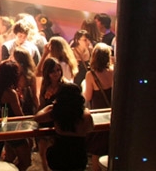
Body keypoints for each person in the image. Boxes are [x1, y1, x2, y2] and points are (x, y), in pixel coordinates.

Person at [34, 83, 94, 171]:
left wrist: (50, 107)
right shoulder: (85, 114)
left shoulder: (57, 112)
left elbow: (37, 118)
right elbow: (91, 128)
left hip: (59, 154)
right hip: (78, 155)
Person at [0, 60, 31, 170]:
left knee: (9, 160)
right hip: (14, 130)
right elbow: (18, 114)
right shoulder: (10, 93)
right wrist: (29, 126)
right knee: (26, 161)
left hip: (7, 129)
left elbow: (3, 112)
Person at [83, 43, 113, 171]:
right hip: (111, 113)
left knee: (97, 148)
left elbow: (88, 96)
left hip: (98, 114)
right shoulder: (113, 71)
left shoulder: (91, 75)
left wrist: (83, 87)